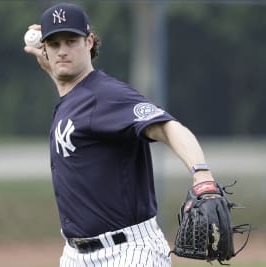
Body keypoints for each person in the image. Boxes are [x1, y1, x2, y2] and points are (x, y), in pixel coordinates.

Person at [24, 3, 214, 267]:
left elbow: (169, 128)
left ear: (89, 41)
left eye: (71, 41)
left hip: (128, 253)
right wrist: (53, 69)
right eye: (54, 44)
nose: (63, 51)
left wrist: (201, 174)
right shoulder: (71, 97)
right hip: (75, 255)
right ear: (44, 49)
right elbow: (67, 83)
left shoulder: (107, 96)